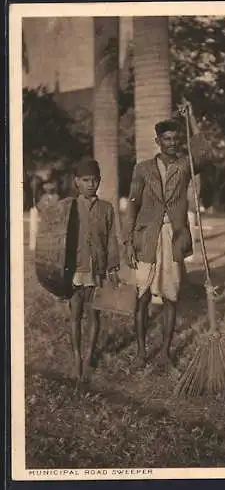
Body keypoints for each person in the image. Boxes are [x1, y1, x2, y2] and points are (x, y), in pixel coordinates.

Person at [123, 101, 214, 370]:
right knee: (141, 296)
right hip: (145, 239)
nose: (172, 143)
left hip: (174, 238)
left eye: (176, 138)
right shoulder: (142, 168)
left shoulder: (185, 165)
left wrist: (192, 118)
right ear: (157, 141)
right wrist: (128, 241)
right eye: (167, 139)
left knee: (171, 297)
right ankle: (140, 353)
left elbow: (205, 154)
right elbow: (133, 204)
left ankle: (165, 353)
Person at [67, 158, 121, 380]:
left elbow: (111, 240)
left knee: (94, 314)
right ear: (76, 182)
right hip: (75, 269)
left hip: (96, 269)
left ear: (99, 181)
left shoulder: (106, 209)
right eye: (85, 180)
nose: (91, 184)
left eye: (94, 180)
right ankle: (77, 357)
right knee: (75, 314)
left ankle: (89, 356)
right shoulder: (69, 208)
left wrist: (113, 266)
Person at [185, 174, 201, 263]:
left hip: (190, 204)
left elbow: (196, 189)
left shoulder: (195, 172)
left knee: (190, 229)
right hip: (182, 203)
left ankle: (189, 254)